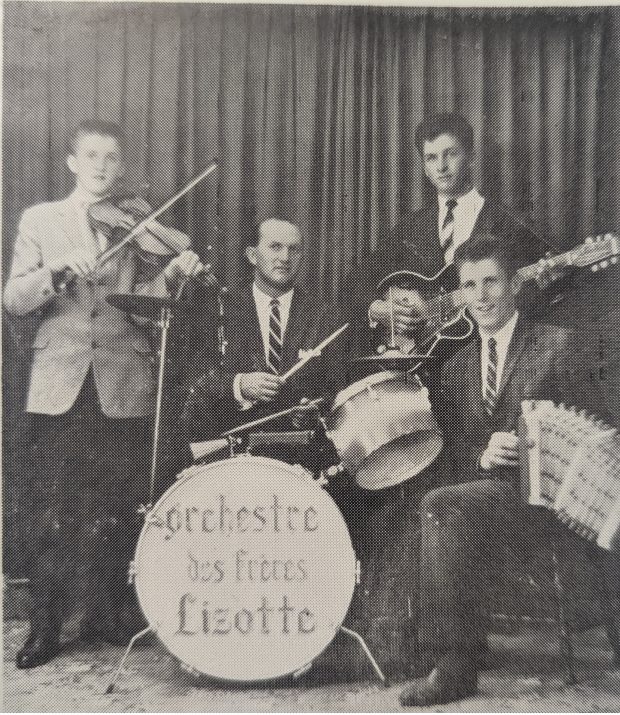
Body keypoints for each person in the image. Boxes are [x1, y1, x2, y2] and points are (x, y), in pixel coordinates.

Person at [4, 120, 206, 668]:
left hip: (124, 380)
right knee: (53, 511)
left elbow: (148, 302)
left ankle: (107, 615)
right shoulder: (41, 220)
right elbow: (14, 299)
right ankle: (45, 627)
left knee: (118, 505)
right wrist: (57, 271)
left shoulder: (139, 225)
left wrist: (176, 274)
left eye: (111, 158)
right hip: (61, 383)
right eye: (90, 155)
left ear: (121, 166)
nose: (100, 166)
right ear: (72, 162)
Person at [399, 233, 607, 706]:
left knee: (442, 507)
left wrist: (534, 443)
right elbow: (455, 455)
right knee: (434, 502)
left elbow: (598, 430)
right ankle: (454, 654)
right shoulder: (453, 368)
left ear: (513, 284)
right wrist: (481, 457)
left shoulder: (557, 345)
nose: (481, 296)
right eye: (470, 285)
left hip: (552, 502)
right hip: (487, 508)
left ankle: (455, 666)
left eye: (491, 281)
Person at [345, 112, 549, 357]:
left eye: (451, 154)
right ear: (425, 168)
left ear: (471, 158)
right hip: (420, 361)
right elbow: (354, 282)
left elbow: (544, 289)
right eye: (431, 158)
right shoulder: (409, 226)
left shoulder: (509, 223)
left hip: (485, 360)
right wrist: (378, 308)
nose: (441, 167)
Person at [182, 217, 348, 451]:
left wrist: (317, 407)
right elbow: (192, 378)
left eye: (294, 249)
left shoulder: (325, 315)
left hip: (301, 453)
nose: (285, 258)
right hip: (230, 451)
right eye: (275, 247)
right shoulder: (220, 305)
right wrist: (239, 385)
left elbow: (338, 386)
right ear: (252, 255)